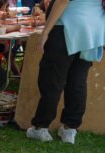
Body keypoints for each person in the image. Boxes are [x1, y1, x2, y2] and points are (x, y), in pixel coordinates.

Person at [26, 0, 105, 144]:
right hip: (92, 29)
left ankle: (41, 127)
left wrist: (45, 32)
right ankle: (70, 128)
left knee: (53, 80)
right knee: (77, 81)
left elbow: (62, 1)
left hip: (67, 27)